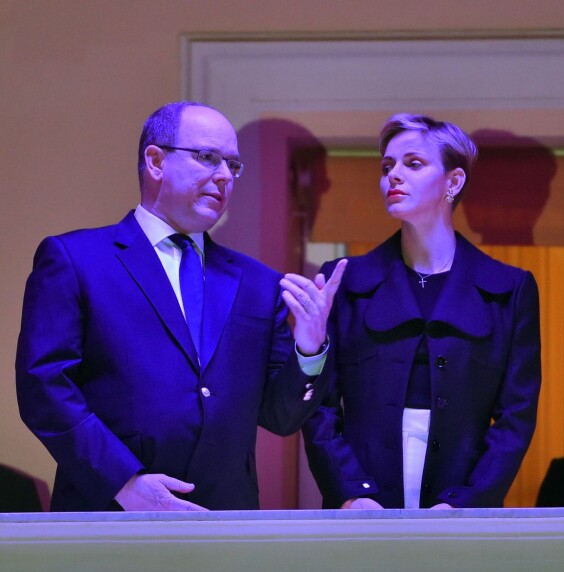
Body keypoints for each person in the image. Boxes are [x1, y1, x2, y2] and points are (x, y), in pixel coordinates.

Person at [16, 101, 346, 512]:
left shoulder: (258, 283)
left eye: (233, 165)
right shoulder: (76, 259)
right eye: (208, 158)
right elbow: (43, 388)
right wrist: (124, 482)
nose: (225, 176)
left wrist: (310, 350)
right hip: (109, 515)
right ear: (155, 161)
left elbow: (281, 417)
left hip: (225, 522)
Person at [302, 113, 541, 510]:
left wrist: (468, 502)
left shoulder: (510, 289)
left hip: (462, 501)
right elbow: (318, 406)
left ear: (454, 181)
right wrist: (349, 492)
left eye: (413, 163)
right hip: (362, 503)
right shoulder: (344, 280)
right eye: (386, 166)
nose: (393, 176)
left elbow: (516, 419)